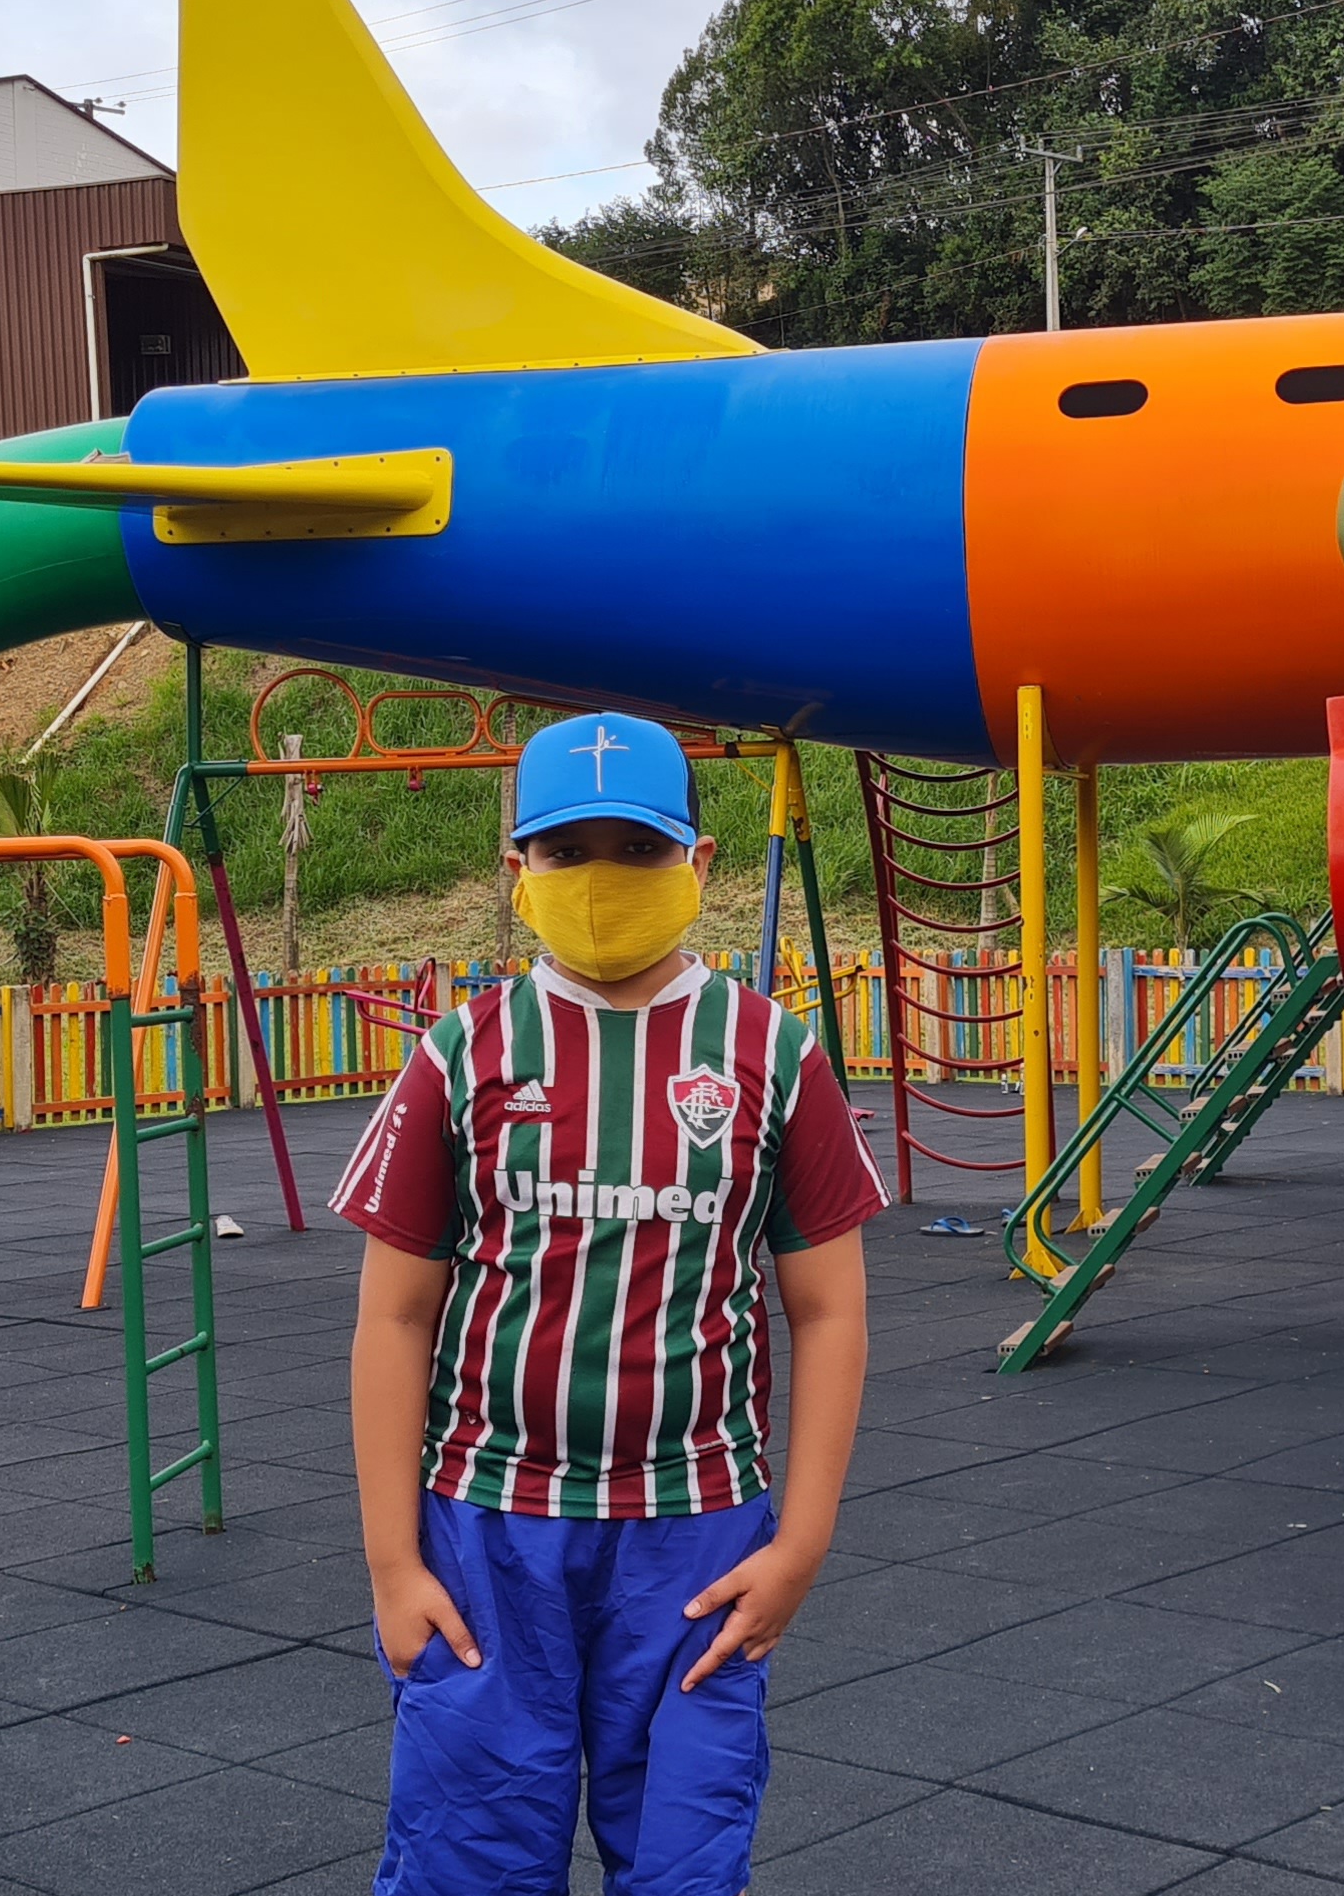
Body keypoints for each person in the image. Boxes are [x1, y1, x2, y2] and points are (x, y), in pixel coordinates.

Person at [337, 710, 885, 1896]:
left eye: (637, 849)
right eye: (565, 850)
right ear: (517, 869)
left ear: (699, 861)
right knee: (467, 1859)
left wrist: (800, 1544)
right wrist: (391, 1561)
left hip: (696, 1529)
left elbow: (829, 1310)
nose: (600, 877)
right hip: (487, 1522)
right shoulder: (461, 1054)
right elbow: (393, 1317)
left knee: (688, 1858)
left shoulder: (771, 1053)